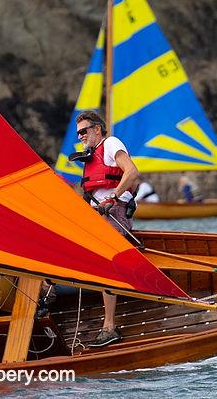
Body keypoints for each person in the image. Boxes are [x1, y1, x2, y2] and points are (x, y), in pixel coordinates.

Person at [73, 110, 139, 347]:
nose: (80, 136)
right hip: (95, 214)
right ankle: (46, 299)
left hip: (114, 213)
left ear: (97, 129)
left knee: (107, 263)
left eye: (84, 131)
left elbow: (131, 171)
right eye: (78, 132)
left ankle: (109, 327)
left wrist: (112, 197)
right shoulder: (89, 154)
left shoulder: (111, 143)